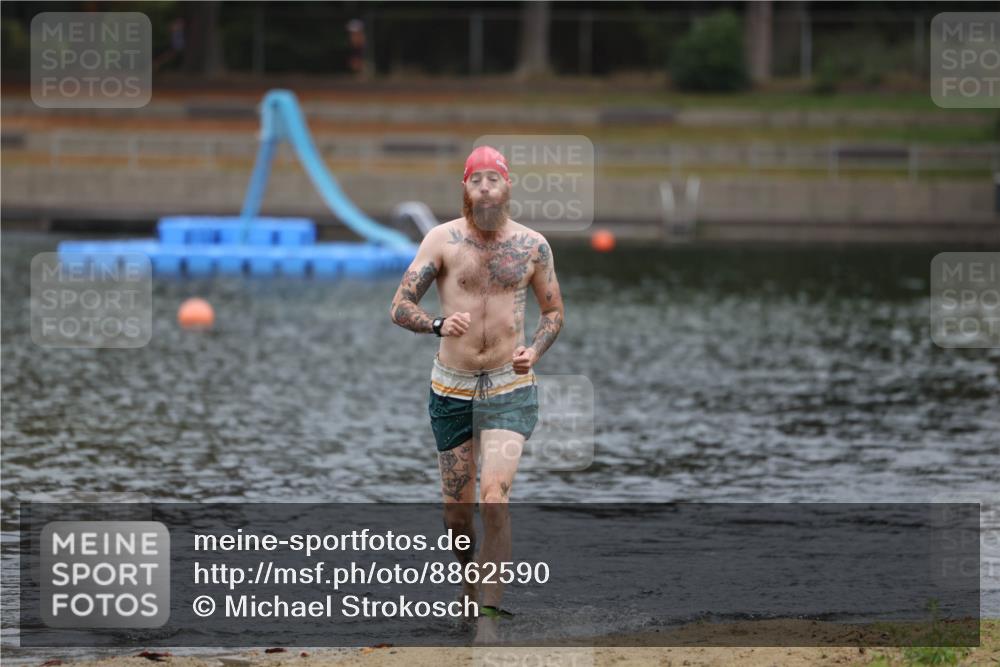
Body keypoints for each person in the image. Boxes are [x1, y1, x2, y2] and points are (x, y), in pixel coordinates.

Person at [389, 145, 565, 642]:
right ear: (465, 189)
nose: (485, 186)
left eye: (494, 178)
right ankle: (469, 595)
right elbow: (400, 305)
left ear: (507, 186)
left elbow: (553, 312)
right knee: (457, 513)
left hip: (510, 387)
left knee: (495, 497)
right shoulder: (441, 241)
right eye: (475, 179)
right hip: (452, 388)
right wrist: (438, 323)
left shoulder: (533, 246)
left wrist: (536, 349)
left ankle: (489, 617)